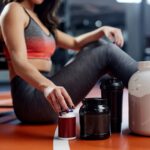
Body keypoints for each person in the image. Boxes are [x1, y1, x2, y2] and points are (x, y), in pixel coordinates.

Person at [0, 0, 138, 123]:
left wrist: (102, 30)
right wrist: (48, 86)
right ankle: (144, 83)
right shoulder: (14, 9)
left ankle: (143, 83)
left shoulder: (40, 20)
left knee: (98, 44)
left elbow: (75, 42)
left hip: (45, 93)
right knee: (106, 51)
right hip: (30, 99)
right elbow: (19, 63)